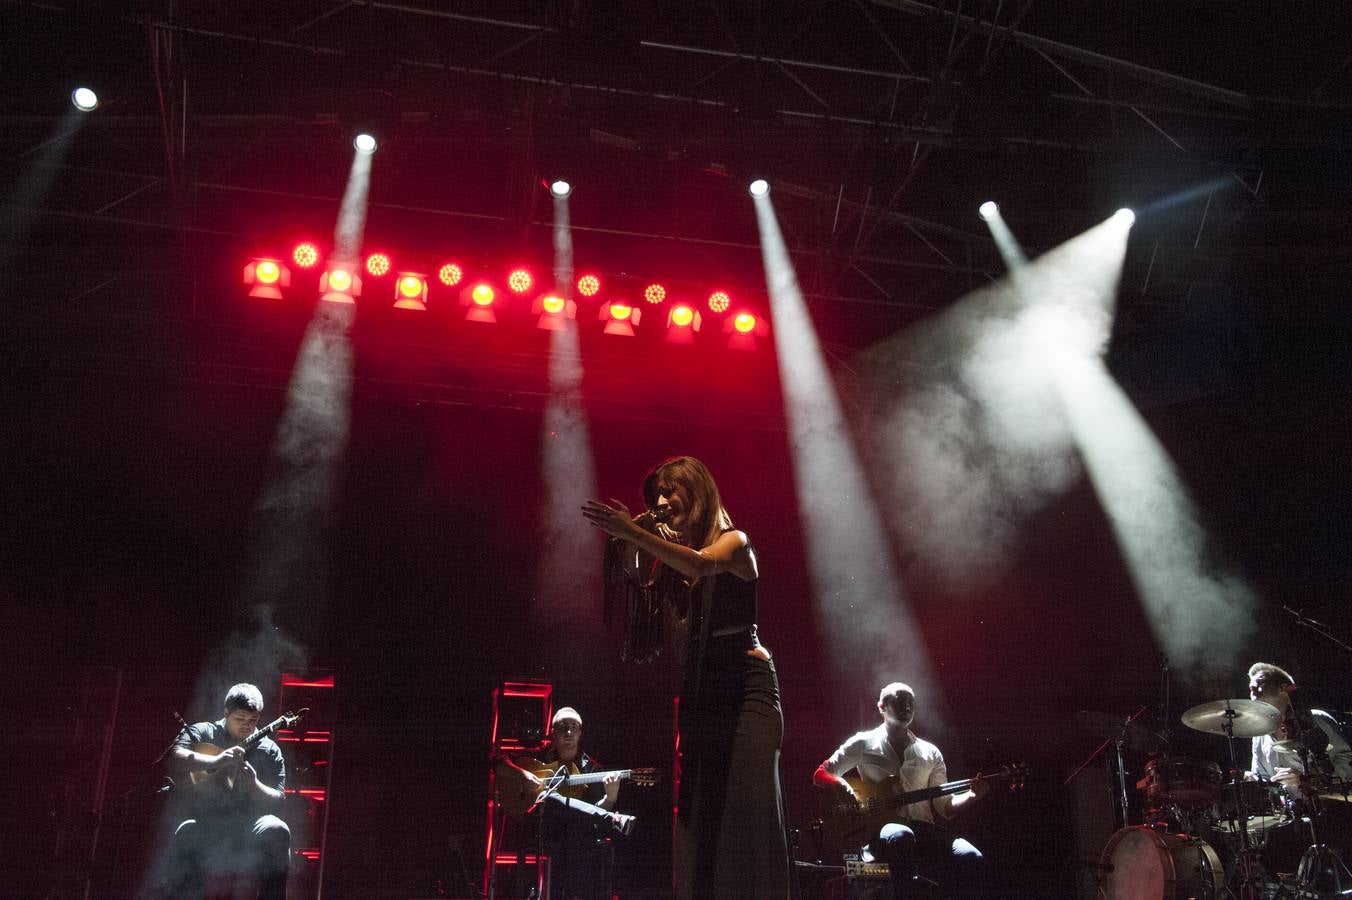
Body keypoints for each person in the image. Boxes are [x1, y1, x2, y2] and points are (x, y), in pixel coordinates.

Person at [584, 455, 789, 899]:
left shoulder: (735, 543)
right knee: (699, 814)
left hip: (746, 689)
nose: (662, 500)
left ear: (697, 492)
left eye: (670, 490)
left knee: (745, 809)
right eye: (657, 494)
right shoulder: (671, 565)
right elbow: (637, 577)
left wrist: (633, 532)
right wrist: (631, 540)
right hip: (700, 694)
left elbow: (699, 564)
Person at [813, 682, 988, 898]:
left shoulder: (930, 752)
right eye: (899, 701)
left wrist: (971, 796)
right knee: (901, 835)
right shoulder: (863, 742)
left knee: (971, 856)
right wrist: (841, 784)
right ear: (881, 707)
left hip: (923, 830)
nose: (906, 706)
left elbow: (945, 807)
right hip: (881, 829)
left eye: (910, 702)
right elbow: (821, 774)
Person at [159, 683, 290, 900]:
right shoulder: (203, 732)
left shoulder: (269, 749)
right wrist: (217, 760)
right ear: (226, 712)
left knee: (277, 829)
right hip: (206, 821)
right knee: (186, 831)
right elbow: (173, 757)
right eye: (240, 719)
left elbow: (279, 798)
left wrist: (255, 785)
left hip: (250, 824)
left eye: (254, 720)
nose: (247, 726)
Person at [496, 707, 623, 900]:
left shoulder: (592, 769)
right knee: (551, 799)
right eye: (563, 727)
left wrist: (610, 799)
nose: (568, 732)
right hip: (541, 832)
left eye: (573, 727)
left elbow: (594, 816)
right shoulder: (538, 758)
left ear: (580, 733)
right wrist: (522, 775)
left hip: (576, 842)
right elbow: (497, 761)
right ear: (553, 732)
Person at [1246, 661, 1352, 791]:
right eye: (1251, 688)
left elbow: (1347, 761)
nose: (1253, 690)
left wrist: (1309, 779)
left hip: (1329, 803)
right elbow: (1263, 777)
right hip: (1289, 810)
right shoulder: (1259, 735)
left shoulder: (1317, 719)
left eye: (1260, 683)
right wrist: (1254, 780)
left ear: (1283, 688)